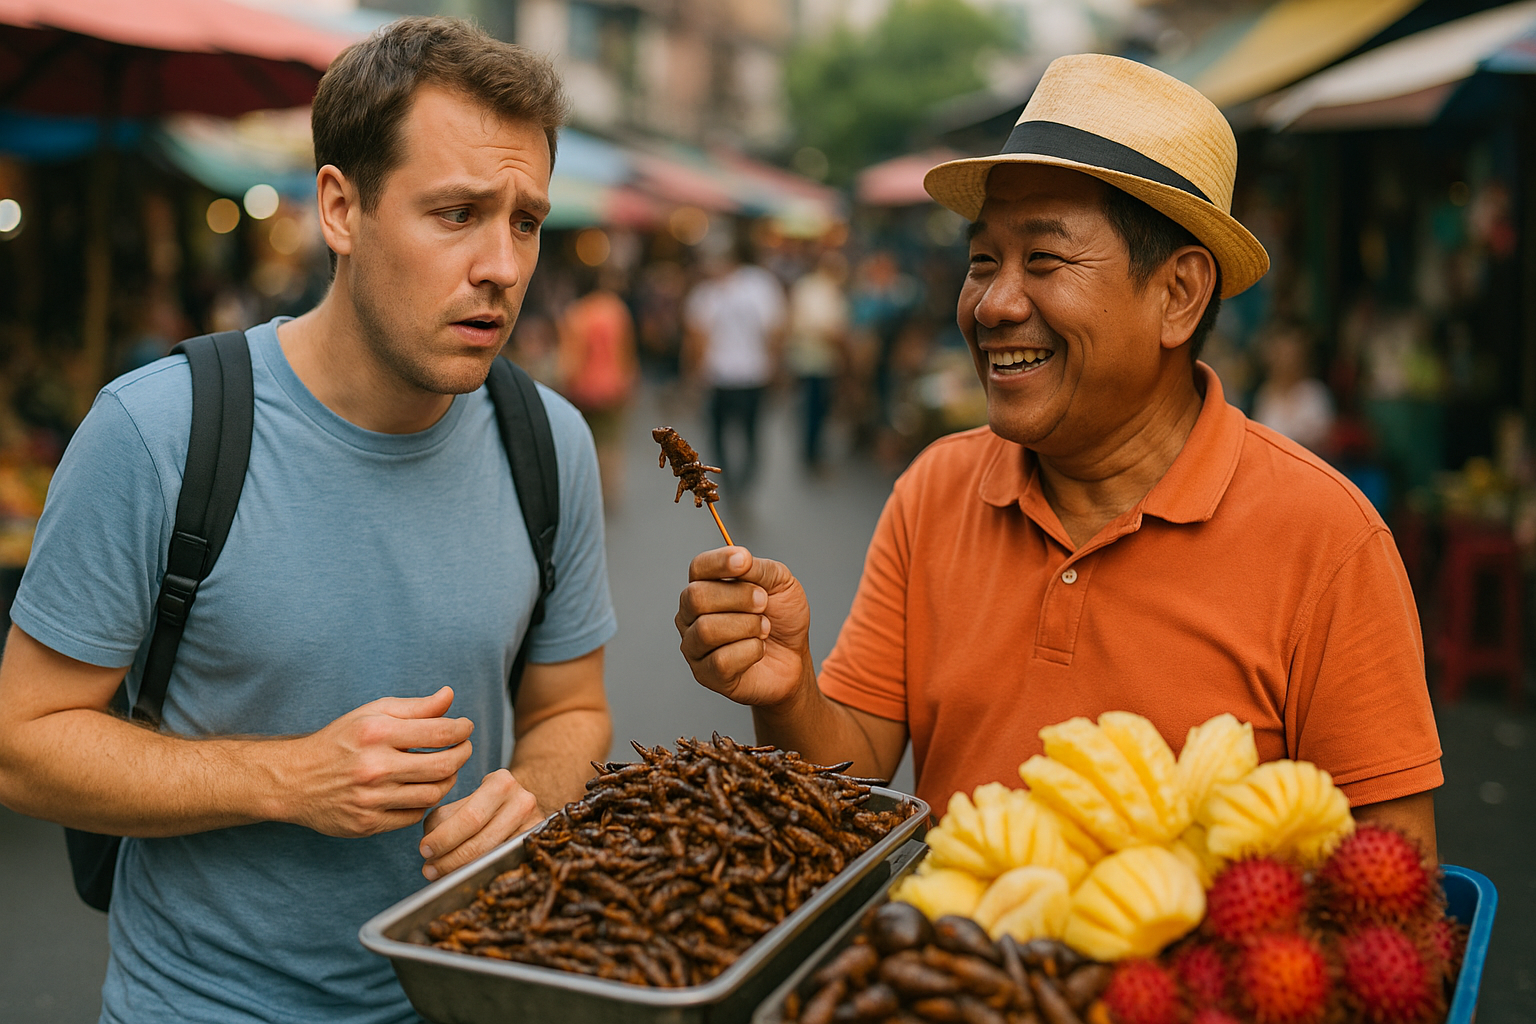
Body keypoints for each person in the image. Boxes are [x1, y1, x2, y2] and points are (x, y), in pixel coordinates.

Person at [0, 18, 616, 1024]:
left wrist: (537, 793)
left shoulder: (549, 443)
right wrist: (288, 776)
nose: (502, 265)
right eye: (456, 213)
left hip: (473, 991)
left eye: (525, 221)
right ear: (340, 208)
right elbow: (22, 744)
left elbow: (571, 708)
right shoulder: (159, 431)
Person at [674, 54, 1440, 859]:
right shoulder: (936, 488)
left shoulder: (1327, 538)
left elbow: (1394, 889)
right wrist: (791, 687)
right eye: (981, 262)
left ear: (1178, 295)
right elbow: (850, 769)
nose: (994, 304)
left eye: (1043, 260)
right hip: (948, 978)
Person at [682, 232, 787, 496]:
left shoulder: (743, 288)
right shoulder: (753, 287)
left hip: (741, 375)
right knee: (736, 434)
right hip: (735, 376)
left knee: (737, 434)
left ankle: (736, 483)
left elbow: (697, 339)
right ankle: (735, 483)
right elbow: (775, 331)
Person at [558, 267, 638, 506]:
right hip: (613, 384)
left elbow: (571, 356)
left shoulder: (577, 313)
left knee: (585, 438)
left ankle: (589, 488)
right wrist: (629, 377)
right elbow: (627, 348)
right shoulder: (616, 310)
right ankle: (609, 489)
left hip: (583, 387)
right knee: (611, 441)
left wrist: (566, 381)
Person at [785, 249, 850, 472]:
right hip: (818, 360)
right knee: (815, 411)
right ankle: (812, 456)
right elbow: (825, 328)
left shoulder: (809, 287)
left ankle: (811, 454)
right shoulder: (822, 290)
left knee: (813, 409)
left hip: (809, 359)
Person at [1251, 321, 1334, 452]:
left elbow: (1325, 445)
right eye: (1280, 355)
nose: (1285, 362)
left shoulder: (1315, 393)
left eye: (1290, 356)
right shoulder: (1264, 394)